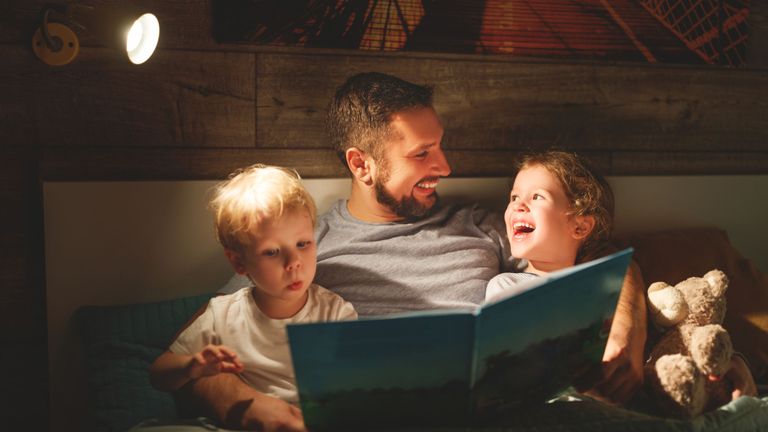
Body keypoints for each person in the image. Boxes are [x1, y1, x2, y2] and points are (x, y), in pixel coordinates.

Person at [189, 73, 753, 429]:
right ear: (361, 164)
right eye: (422, 154)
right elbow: (208, 341)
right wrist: (241, 403)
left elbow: (611, 257)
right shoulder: (307, 250)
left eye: (442, 147)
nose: (445, 167)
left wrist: (628, 335)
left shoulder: (482, 225)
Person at [150, 164, 357, 431]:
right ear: (239, 263)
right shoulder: (222, 315)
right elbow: (158, 374)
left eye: (303, 244)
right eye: (272, 252)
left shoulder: (335, 313)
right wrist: (192, 366)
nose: (294, 262)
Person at [485, 150, 615, 300]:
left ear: (580, 227)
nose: (517, 205)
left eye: (537, 196)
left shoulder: (599, 288)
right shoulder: (507, 287)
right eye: (514, 197)